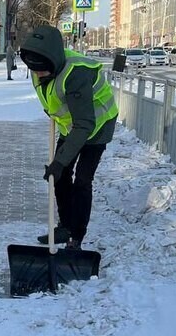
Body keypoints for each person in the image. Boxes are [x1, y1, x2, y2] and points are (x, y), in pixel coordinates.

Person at [19, 25, 119, 250]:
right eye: (35, 70)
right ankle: (65, 226)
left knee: (82, 181)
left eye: (42, 70)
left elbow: (85, 123)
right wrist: (59, 164)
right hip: (70, 126)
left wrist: (60, 160)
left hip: (97, 125)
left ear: (52, 60)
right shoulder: (40, 66)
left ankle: (76, 236)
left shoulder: (76, 74)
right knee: (61, 175)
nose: (38, 74)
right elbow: (52, 99)